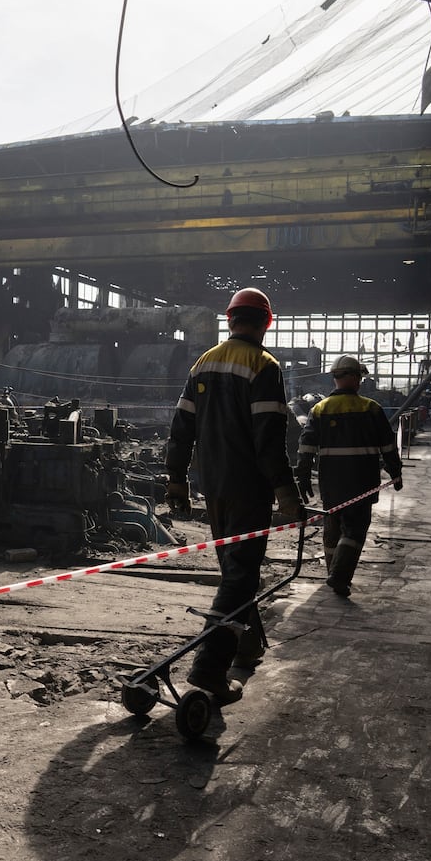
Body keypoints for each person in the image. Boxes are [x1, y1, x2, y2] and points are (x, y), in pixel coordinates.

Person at [164, 287, 302, 705]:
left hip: (214, 487)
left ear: (229, 320)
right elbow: (269, 441)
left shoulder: (203, 362)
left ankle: (246, 644)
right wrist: (286, 491)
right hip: (248, 488)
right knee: (241, 576)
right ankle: (209, 672)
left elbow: (181, 429)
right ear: (266, 322)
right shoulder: (264, 365)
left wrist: (176, 481)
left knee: (235, 571)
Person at [295, 355, 404, 599]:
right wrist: (395, 471)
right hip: (362, 480)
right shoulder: (370, 408)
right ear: (355, 378)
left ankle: (332, 571)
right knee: (355, 530)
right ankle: (340, 576)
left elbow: (307, 445)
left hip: (331, 481)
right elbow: (388, 445)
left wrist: (302, 474)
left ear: (335, 378)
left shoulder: (320, 409)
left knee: (332, 527)